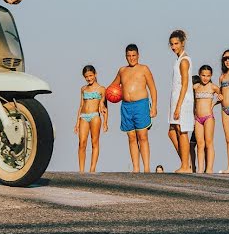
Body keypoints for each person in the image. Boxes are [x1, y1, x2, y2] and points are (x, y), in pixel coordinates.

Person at [109, 44, 157, 172]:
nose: (131, 58)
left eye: (134, 55)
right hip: (126, 106)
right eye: (129, 56)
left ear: (138, 55)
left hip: (141, 104)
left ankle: (146, 168)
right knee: (131, 137)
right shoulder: (122, 70)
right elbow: (112, 87)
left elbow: (152, 88)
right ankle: (136, 168)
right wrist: (103, 98)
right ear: (126, 56)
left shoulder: (144, 69)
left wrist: (154, 107)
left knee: (142, 136)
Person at [167, 30, 193, 173]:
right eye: (171, 44)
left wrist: (178, 106)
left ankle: (185, 166)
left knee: (182, 131)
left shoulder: (184, 61)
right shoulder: (178, 59)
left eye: (176, 43)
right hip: (176, 99)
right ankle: (186, 162)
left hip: (183, 100)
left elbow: (184, 84)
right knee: (172, 131)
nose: (173, 46)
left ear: (182, 43)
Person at [74, 65, 108, 173]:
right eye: (86, 76)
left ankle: (92, 169)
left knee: (95, 142)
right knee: (82, 143)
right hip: (84, 116)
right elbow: (80, 106)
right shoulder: (83, 89)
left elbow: (105, 107)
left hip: (95, 116)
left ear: (95, 74)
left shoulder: (102, 89)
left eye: (90, 75)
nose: (89, 78)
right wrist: (77, 123)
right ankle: (81, 170)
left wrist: (105, 122)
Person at [192, 65, 223, 173]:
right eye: (203, 75)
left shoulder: (213, 87)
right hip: (197, 119)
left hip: (208, 117)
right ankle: (200, 169)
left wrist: (215, 104)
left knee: (209, 143)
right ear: (199, 75)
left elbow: (222, 97)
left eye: (208, 76)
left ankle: (209, 169)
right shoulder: (195, 87)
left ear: (211, 76)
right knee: (200, 144)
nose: (205, 78)